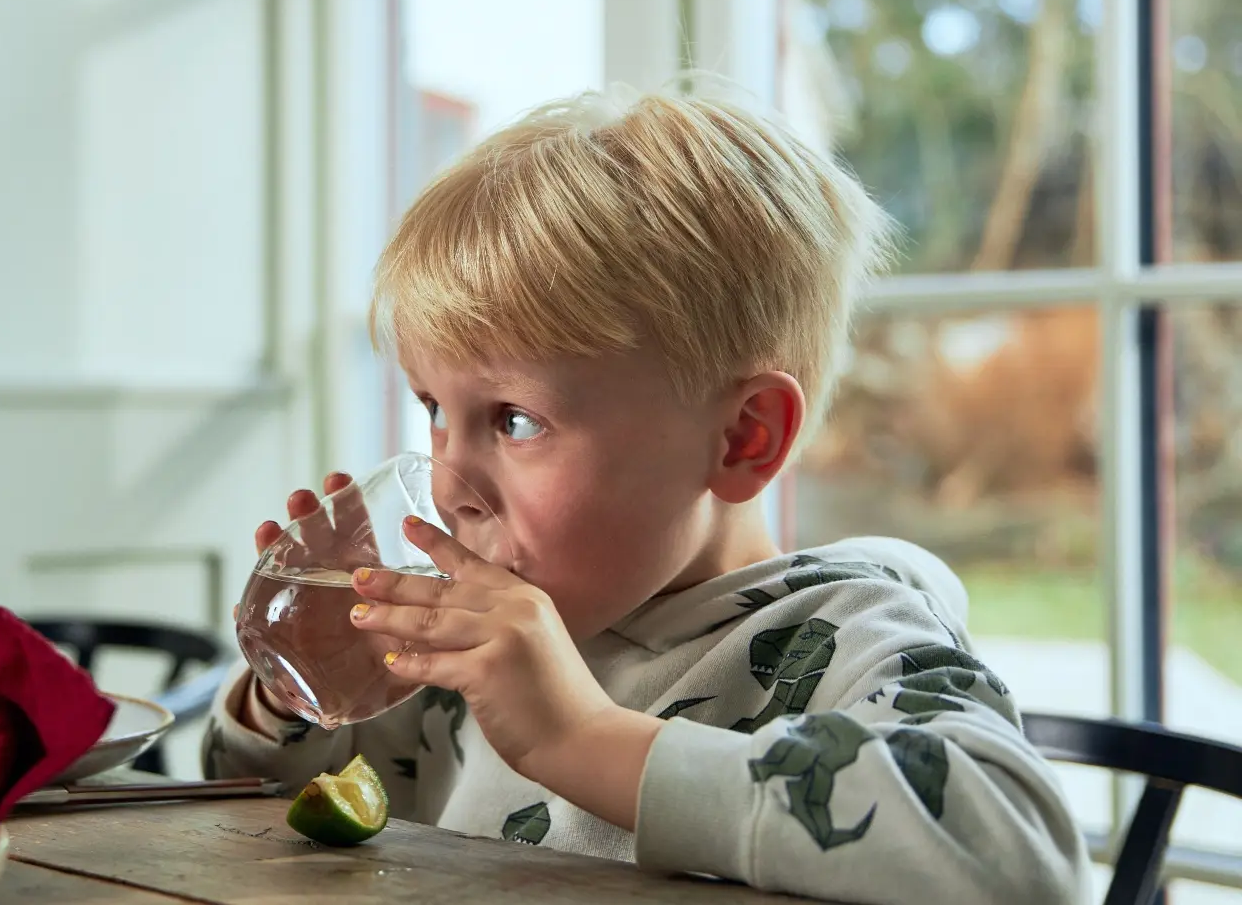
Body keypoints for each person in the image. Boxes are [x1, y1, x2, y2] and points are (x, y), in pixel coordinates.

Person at [204, 88, 1088, 903]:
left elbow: (1023, 862)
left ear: (743, 439)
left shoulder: (844, 636)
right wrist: (291, 699)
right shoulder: (473, 646)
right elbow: (263, 809)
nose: (447, 482)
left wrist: (580, 739)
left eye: (516, 420)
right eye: (434, 409)